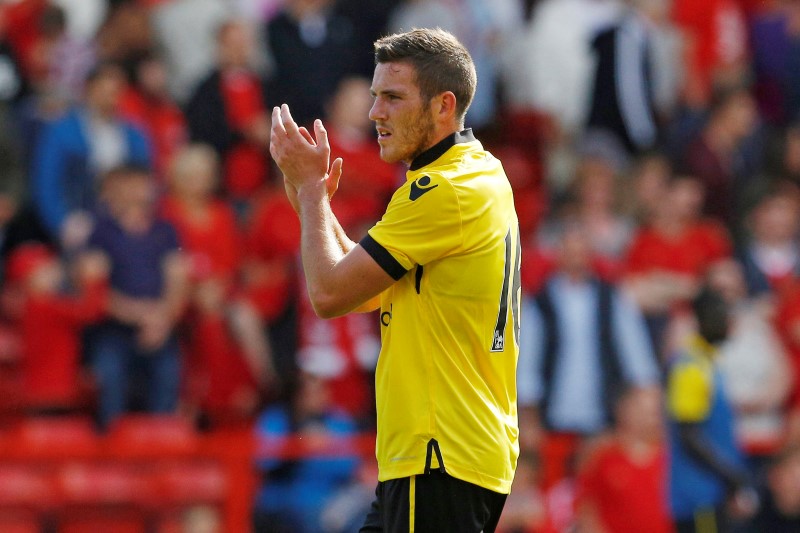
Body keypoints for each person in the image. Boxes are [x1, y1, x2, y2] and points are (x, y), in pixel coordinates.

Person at [270, 28, 520, 532]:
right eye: (374, 96)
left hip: (438, 454)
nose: (374, 113)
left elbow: (327, 293)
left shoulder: (440, 189)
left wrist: (314, 194)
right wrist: (308, 195)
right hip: (445, 453)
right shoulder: (477, 173)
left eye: (393, 97)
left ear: (444, 106)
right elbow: (360, 291)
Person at [665, 287, 758, 533]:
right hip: (697, 496)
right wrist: (733, 475)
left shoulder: (708, 361)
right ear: (701, 318)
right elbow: (688, 434)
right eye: (722, 314)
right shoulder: (691, 368)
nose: (729, 321)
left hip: (712, 492)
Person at [575, 385, 674, 533]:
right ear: (624, 410)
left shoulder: (673, 456)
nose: (652, 417)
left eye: (656, 411)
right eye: (644, 410)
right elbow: (587, 509)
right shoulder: (602, 455)